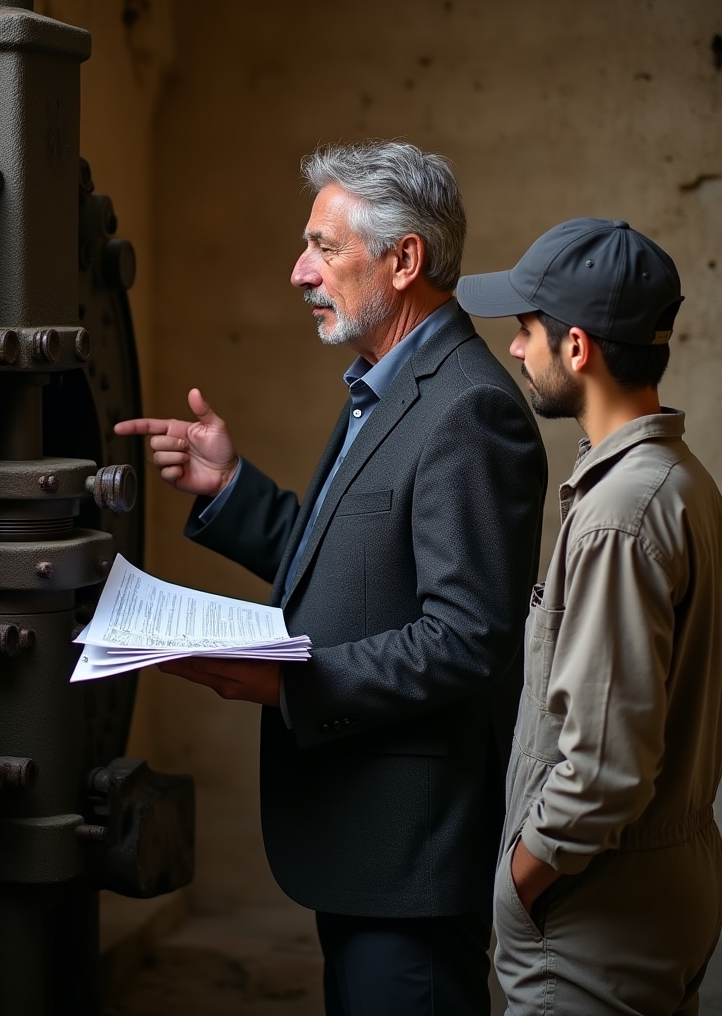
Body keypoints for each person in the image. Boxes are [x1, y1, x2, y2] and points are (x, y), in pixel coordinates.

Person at [116, 139, 548, 1015]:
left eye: (323, 247)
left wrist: (289, 684)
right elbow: (347, 568)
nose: (297, 272)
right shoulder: (388, 388)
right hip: (361, 844)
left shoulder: (467, 408)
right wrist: (232, 490)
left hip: (410, 857)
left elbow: (469, 639)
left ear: (404, 261)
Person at [457, 217, 722, 1015]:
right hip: (652, 899)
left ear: (577, 348)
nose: (513, 349)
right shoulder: (681, 481)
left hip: (592, 926)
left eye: (526, 329)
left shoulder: (621, 515)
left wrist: (518, 884)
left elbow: (603, 772)